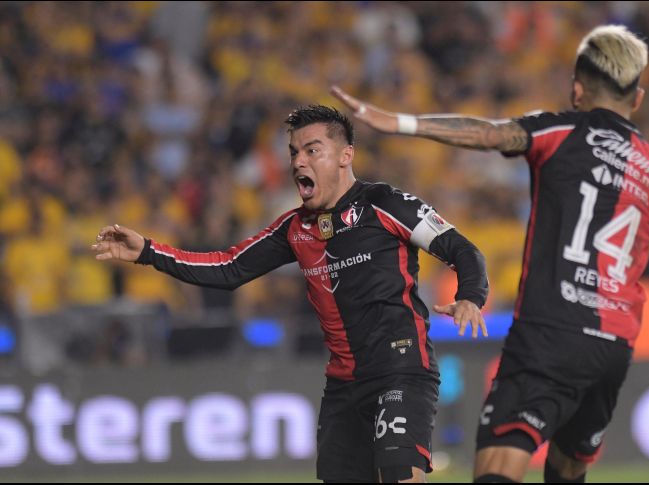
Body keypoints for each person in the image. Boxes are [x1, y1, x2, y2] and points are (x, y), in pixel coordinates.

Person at [331, 24, 649, 483]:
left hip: (551, 330)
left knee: (499, 464)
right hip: (611, 347)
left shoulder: (561, 130)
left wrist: (401, 122)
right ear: (637, 100)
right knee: (567, 467)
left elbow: (490, 135)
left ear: (577, 91)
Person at [91, 105, 489, 483]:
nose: (299, 161)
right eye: (294, 152)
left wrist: (471, 295)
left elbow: (461, 249)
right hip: (342, 388)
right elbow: (228, 268)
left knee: (399, 473)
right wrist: (148, 251)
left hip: (401, 371)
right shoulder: (294, 228)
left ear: (345, 155)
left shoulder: (383, 203)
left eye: (313, 150)